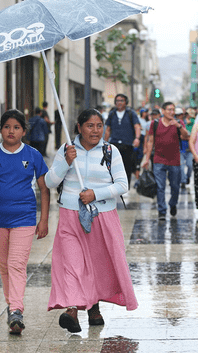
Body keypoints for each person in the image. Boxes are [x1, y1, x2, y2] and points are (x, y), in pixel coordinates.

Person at [45, 108, 137, 333]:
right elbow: (49, 181)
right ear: (79, 127)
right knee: (73, 264)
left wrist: (96, 193)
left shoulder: (110, 151)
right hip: (70, 216)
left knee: (97, 266)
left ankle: (94, 309)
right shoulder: (67, 150)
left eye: (99, 126)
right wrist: (66, 162)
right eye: (89, 126)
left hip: (102, 216)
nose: (95, 130)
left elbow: (123, 185)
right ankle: (73, 311)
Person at [0, 109, 49, 335]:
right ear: (0, 130)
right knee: (5, 265)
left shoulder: (33, 154)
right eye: (7, 126)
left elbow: (44, 189)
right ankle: (12, 307)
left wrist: (43, 219)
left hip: (24, 217)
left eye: (16, 127)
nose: (11, 131)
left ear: (24, 131)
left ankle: (17, 309)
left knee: (17, 264)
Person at [142, 102, 189, 219]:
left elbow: (186, 136)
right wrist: (147, 159)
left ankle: (173, 204)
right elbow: (150, 141)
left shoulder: (178, 123)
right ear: (163, 111)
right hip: (159, 160)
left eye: (173, 110)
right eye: (169, 109)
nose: (172, 112)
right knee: (160, 186)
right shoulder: (155, 123)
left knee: (175, 186)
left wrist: (178, 126)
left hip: (174, 160)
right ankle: (162, 211)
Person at [104, 94, 141, 189]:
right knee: (113, 166)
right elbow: (108, 129)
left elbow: (137, 126)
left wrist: (137, 138)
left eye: (122, 100)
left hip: (127, 144)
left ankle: (125, 187)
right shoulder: (112, 114)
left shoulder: (131, 113)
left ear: (126, 102)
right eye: (117, 101)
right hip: (114, 144)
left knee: (127, 167)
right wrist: (105, 142)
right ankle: (113, 186)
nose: (119, 102)